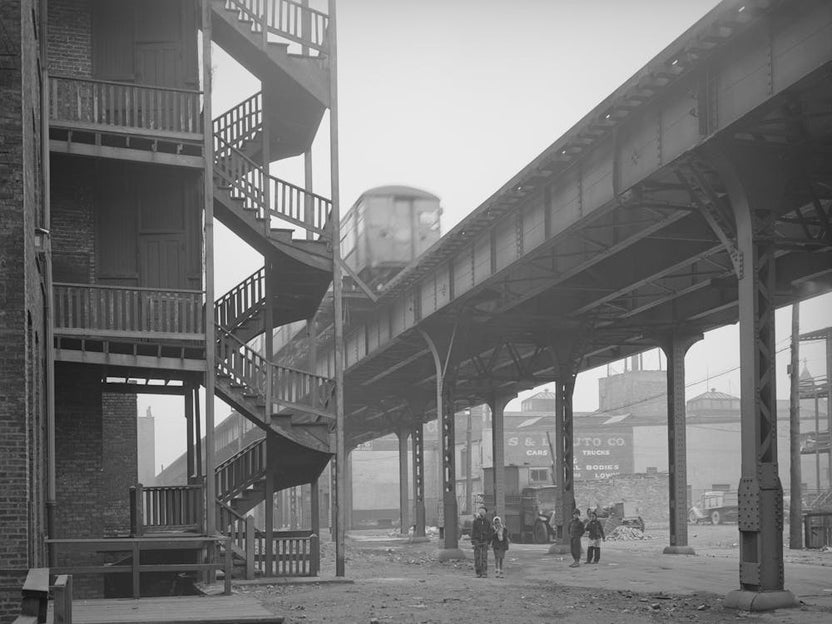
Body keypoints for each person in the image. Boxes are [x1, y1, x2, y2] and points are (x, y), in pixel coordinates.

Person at [470, 506, 493, 578]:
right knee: (477, 557)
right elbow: (473, 531)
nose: (481, 513)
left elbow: (490, 532)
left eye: (483, 512)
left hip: (485, 541)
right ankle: (478, 572)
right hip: (477, 540)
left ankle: (484, 572)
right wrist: (473, 541)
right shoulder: (475, 521)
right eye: (480, 512)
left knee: (484, 557)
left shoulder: (488, 522)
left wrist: (489, 541)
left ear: (485, 513)